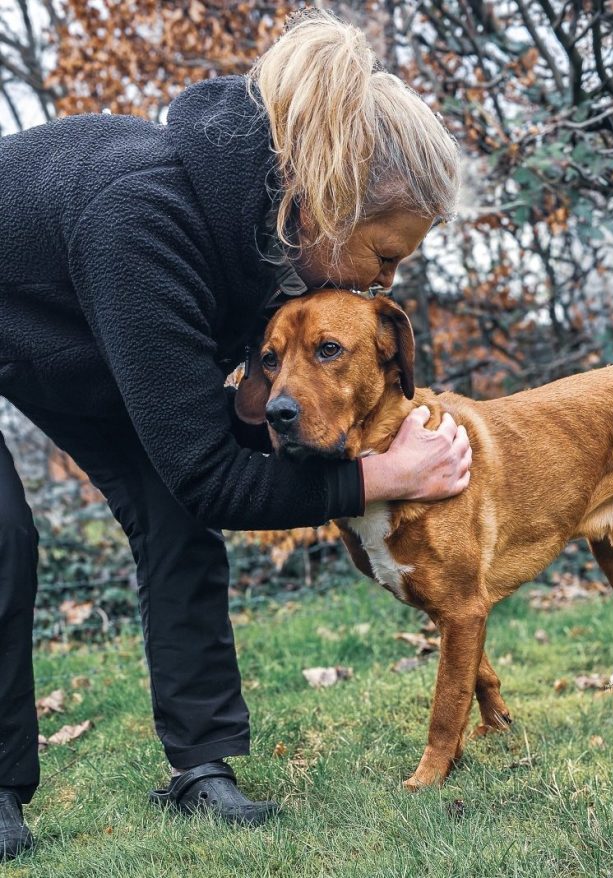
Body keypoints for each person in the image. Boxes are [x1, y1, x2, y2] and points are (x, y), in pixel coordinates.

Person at [0, 10, 472, 860]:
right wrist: (383, 479)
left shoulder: (272, 244)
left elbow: (216, 451)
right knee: (2, 538)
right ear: (331, 207)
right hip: (39, 319)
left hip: (67, 339)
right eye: (384, 255)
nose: (386, 280)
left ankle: (201, 769)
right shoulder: (144, 219)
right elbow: (213, 474)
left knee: (172, 519)